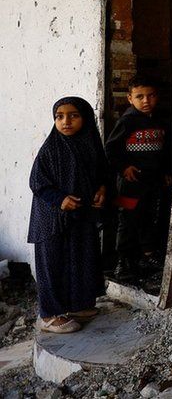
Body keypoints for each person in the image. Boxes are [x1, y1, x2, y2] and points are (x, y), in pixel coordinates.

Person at [28, 97, 109, 333]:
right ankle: (49, 315)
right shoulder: (51, 148)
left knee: (80, 258)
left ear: (85, 118)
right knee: (53, 263)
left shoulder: (90, 143)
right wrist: (60, 200)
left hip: (80, 216)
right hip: (51, 218)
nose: (66, 121)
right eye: (59, 116)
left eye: (73, 115)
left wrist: (102, 189)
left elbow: (102, 172)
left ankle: (76, 305)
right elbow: (37, 182)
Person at [105, 76, 172, 279]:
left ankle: (148, 255)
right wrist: (124, 167)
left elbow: (165, 151)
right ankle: (123, 261)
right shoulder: (127, 121)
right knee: (127, 220)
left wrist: (166, 172)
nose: (146, 101)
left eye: (150, 95)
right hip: (130, 184)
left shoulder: (159, 120)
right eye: (139, 96)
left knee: (149, 217)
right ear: (129, 98)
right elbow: (111, 148)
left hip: (152, 182)